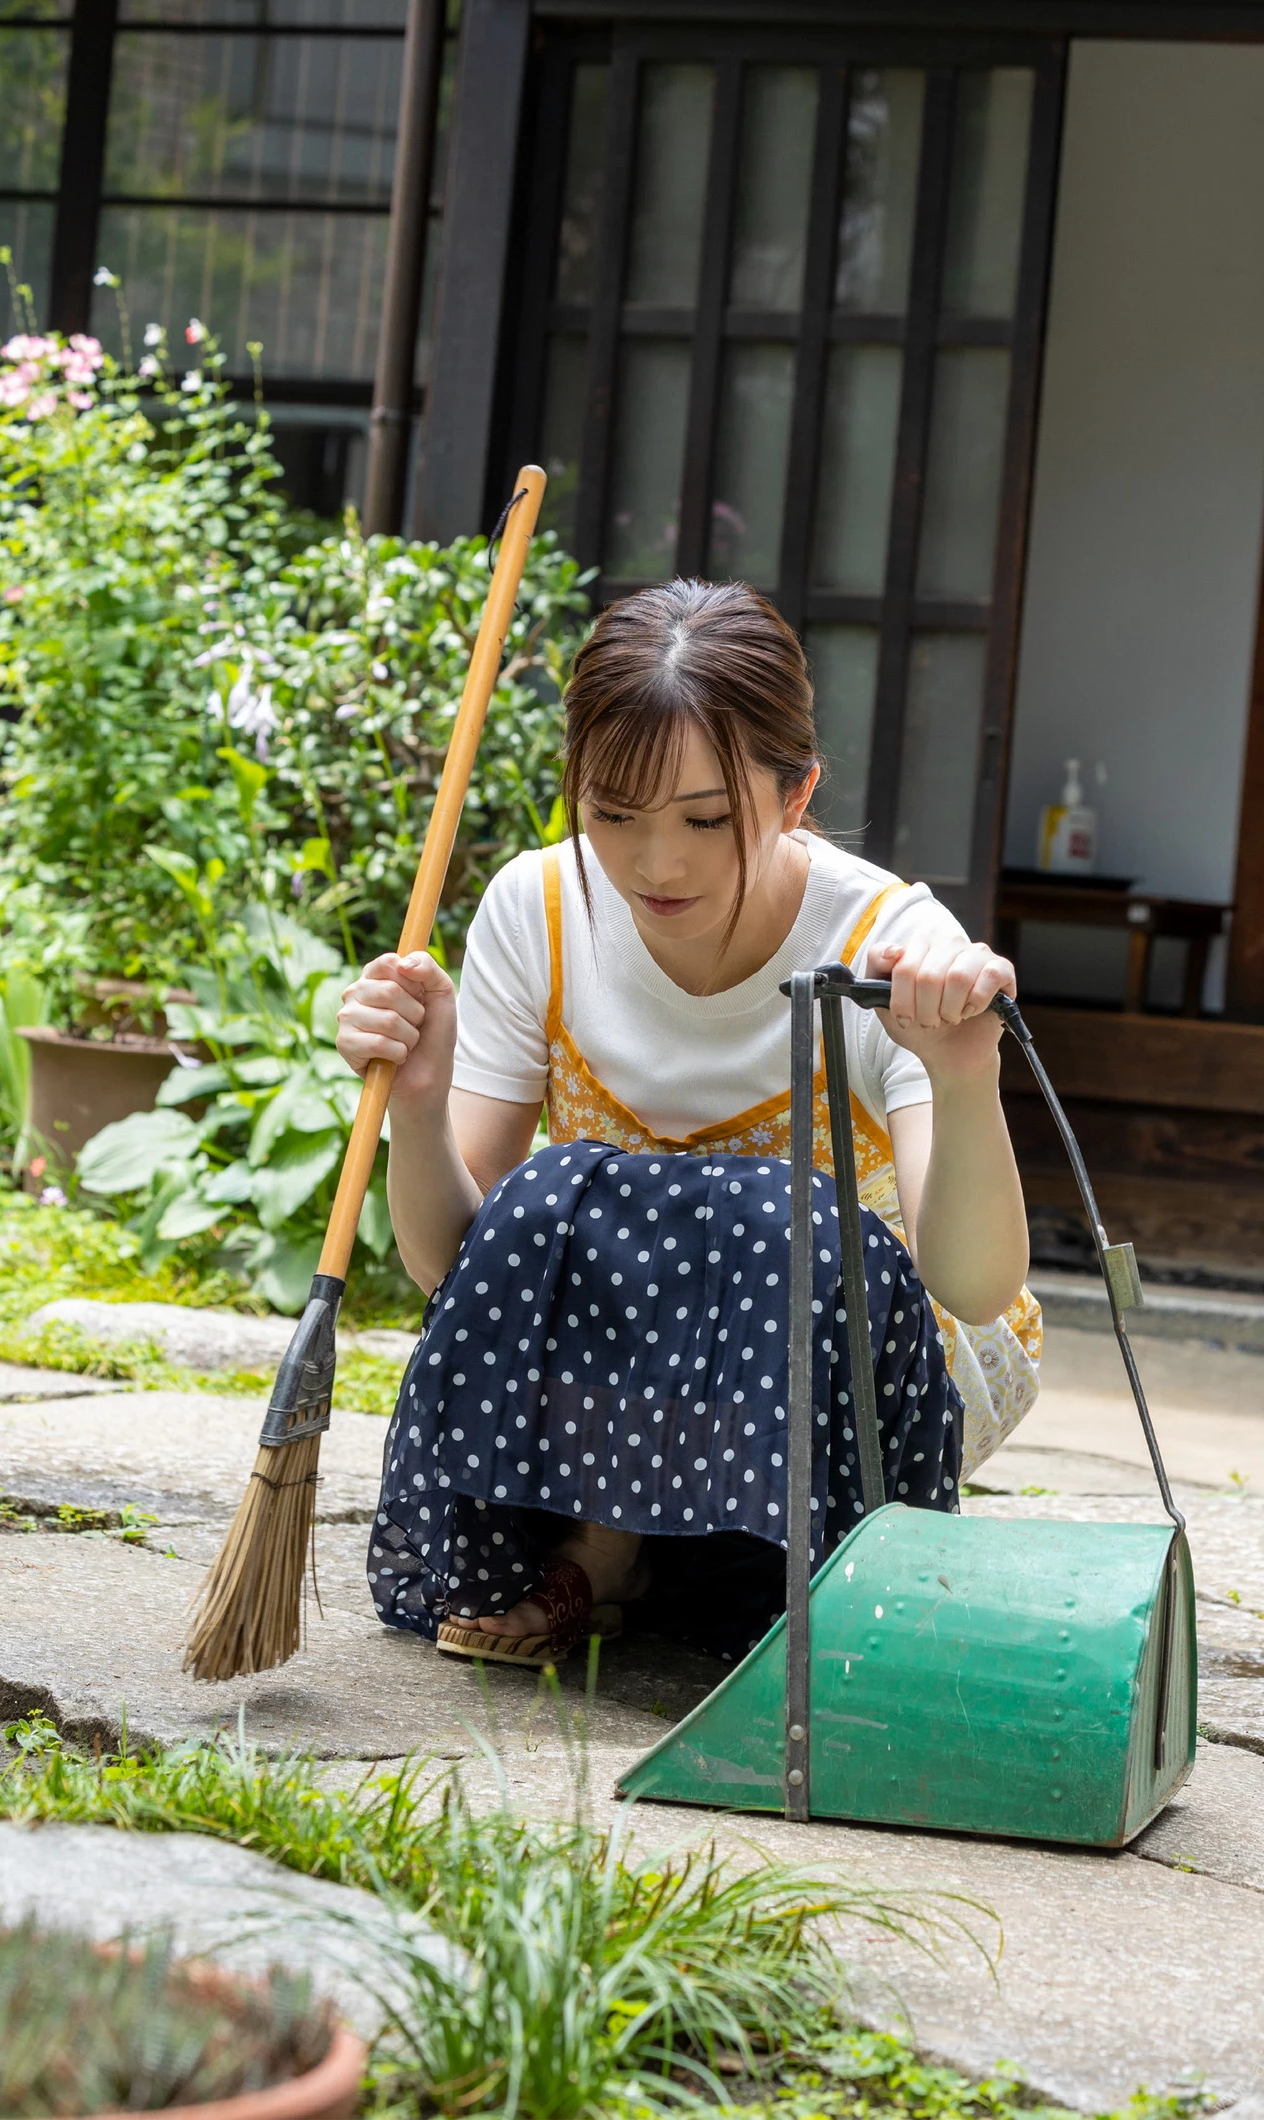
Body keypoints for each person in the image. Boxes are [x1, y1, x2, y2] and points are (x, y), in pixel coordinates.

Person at [336, 580, 1041, 1669]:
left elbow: (973, 1284)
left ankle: (728, 1557)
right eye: (612, 813)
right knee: (557, 1198)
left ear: (796, 791)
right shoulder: (542, 907)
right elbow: (455, 1269)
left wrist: (960, 1072)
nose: (654, 864)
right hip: (635, 1362)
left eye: (706, 819)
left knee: (770, 1220)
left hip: (854, 1369)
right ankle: (613, 1551)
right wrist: (417, 1102)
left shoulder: (881, 937)